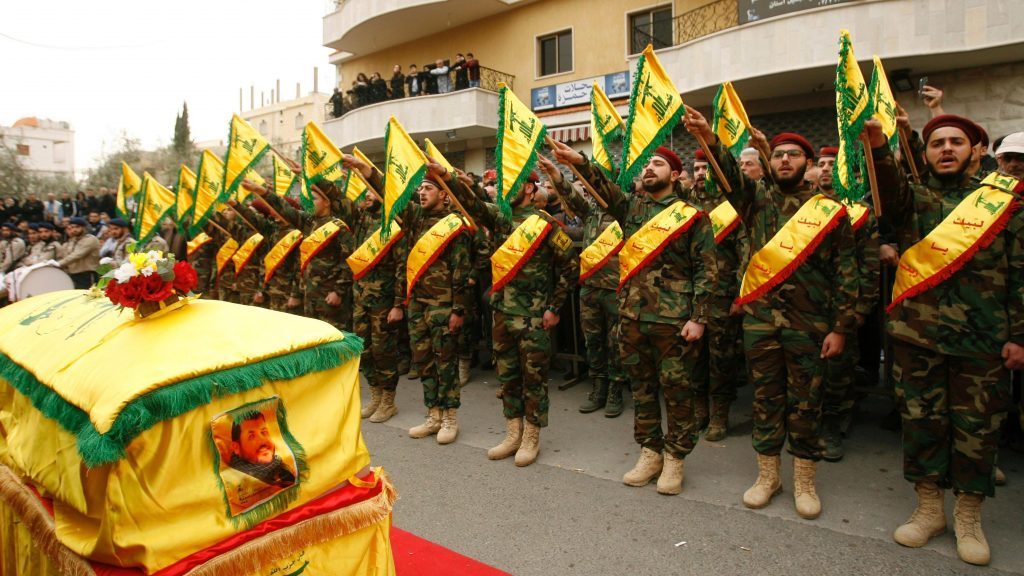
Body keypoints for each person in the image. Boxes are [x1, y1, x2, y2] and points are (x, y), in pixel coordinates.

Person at [685, 107, 858, 519]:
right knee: (765, 400)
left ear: (809, 165)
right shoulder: (756, 201)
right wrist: (710, 139)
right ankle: (768, 476)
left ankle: (804, 480)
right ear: (768, 162)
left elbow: (846, 273)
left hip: (811, 324)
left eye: (793, 155)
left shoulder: (829, 210)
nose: (784, 160)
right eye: (778, 154)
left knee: (806, 402)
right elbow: (728, 173)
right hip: (761, 323)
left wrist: (841, 327)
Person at [869, 113, 1023, 566]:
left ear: (977, 150)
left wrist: (1019, 336)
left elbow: (1020, 272)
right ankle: (930, 508)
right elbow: (888, 186)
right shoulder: (913, 199)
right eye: (938, 143)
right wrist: (879, 143)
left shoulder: (1004, 201)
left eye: (957, 141)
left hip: (984, 341)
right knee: (921, 423)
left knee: (977, 431)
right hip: (917, 338)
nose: (947, 149)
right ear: (927, 151)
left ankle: (969, 517)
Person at [549, 141, 716, 495]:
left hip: (674, 320)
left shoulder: (692, 215)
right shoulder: (633, 208)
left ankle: (675, 458)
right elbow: (604, 190)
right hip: (632, 316)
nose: (650, 168)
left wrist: (699, 316)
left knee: (677, 392)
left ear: (675, 174)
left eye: (658, 164)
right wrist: (580, 162)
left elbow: (707, 270)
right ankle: (650, 451)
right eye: (648, 164)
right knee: (641, 389)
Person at [448, 166, 578, 467]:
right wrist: (450, 176)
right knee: (507, 377)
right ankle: (512, 432)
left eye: (516, 183)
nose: (508, 188)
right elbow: (474, 206)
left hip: (533, 317)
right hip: (503, 315)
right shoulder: (501, 218)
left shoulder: (545, 225)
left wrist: (554, 307)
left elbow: (570, 267)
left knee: (533, 379)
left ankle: (532, 436)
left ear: (531, 189)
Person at [539, 156, 628, 418]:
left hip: (615, 287)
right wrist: (556, 174)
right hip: (589, 287)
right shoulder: (592, 212)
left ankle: (615, 389)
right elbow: (573, 198)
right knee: (593, 340)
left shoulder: (624, 210)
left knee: (615, 342)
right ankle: (598, 385)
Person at [393, 169, 472, 443]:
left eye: (428, 188)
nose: (422, 193)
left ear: (443, 194)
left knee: (445, 363)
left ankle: (451, 418)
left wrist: (458, 310)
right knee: (424, 361)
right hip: (418, 304)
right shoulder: (415, 220)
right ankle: (433, 415)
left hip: (443, 305)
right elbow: (393, 197)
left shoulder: (454, 224)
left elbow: (461, 270)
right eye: (421, 189)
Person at [816, 146, 879, 462]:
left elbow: (869, 266)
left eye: (832, 164)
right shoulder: (805, 208)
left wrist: (861, 308)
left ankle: (832, 426)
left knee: (838, 369)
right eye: (821, 164)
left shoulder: (860, 211)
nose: (826, 169)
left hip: (843, 304)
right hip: (806, 304)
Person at [682, 149, 749, 442]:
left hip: (722, 297)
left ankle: (720, 412)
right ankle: (700, 409)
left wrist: (739, 295)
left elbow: (745, 254)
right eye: (696, 169)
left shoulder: (731, 208)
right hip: (691, 296)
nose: (699, 174)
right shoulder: (684, 207)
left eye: (705, 168)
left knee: (722, 357)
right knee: (694, 356)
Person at [229, 412, 296, 488]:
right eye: (251, 436)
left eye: (264, 432)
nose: (262, 440)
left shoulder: (283, 467)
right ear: (236, 447)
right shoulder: (235, 484)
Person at [56, 217, 100, 289]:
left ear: (84, 228)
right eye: (72, 227)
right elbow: (65, 255)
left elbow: (78, 254)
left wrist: (59, 263)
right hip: (73, 274)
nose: (74, 230)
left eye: (77, 227)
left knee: (89, 297)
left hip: (87, 274)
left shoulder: (91, 239)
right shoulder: (72, 241)